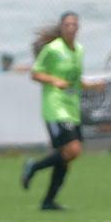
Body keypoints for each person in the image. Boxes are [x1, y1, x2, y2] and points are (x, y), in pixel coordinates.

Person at [19, 11, 103, 211]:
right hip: (54, 106)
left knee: (67, 157)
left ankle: (48, 201)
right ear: (61, 27)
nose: (71, 28)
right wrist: (53, 80)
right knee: (73, 150)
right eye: (67, 24)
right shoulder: (52, 49)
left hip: (71, 108)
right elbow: (35, 73)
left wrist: (92, 85)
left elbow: (75, 80)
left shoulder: (79, 51)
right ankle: (34, 167)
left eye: (74, 24)